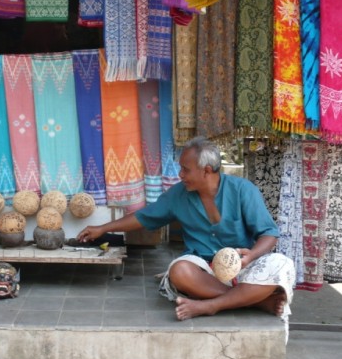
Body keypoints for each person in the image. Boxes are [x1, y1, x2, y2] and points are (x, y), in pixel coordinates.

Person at [77, 137, 295, 324]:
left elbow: (269, 233)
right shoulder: (179, 194)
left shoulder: (243, 190)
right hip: (205, 273)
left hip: (244, 269)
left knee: (282, 264)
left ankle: (211, 306)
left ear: (206, 171)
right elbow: (144, 217)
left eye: (185, 169)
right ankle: (254, 301)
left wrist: (252, 256)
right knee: (179, 271)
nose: (180, 174)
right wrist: (103, 228)